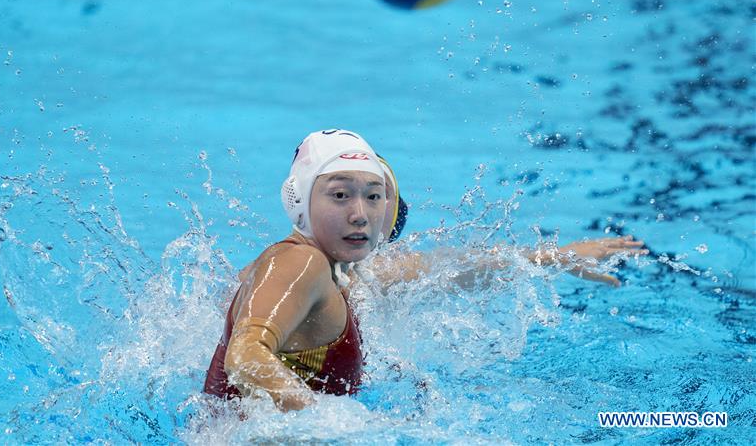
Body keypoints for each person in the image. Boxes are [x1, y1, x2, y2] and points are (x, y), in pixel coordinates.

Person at [203, 129, 647, 411]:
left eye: (374, 197)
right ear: (299, 201)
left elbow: (449, 269)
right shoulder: (300, 262)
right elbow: (247, 354)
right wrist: (337, 430)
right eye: (340, 195)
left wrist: (557, 256)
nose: (361, 214)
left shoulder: (345, 273)